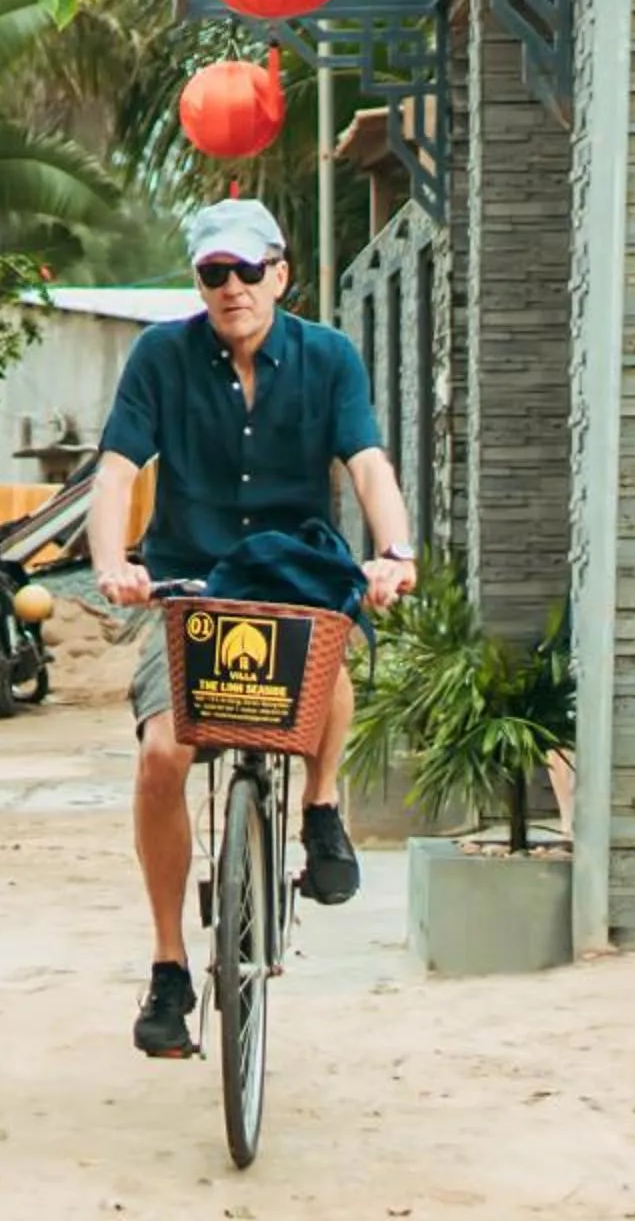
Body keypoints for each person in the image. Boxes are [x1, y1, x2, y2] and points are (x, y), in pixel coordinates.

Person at [83, 197, 418, 1060]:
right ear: (198, 282)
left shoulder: (328, 358)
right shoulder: (161, 356)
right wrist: (114, 562)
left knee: (327, 641)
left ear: (281, 271)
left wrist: (395, 550)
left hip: (290, 571)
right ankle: (167, 968)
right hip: (187, 583)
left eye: (246, 271)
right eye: (212, 274)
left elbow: (369, 463)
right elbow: (117, 471)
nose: (231, 288)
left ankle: (320, 806)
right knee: (164, 754)